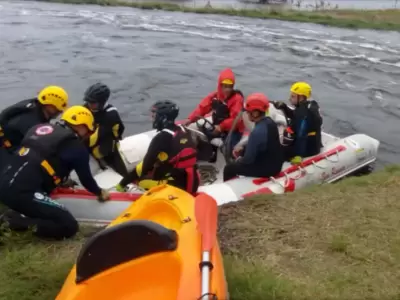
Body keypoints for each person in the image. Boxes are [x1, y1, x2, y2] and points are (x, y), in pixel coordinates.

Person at [0, 106, 110, 240]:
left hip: (4, 181)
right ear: (81, 126)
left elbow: (39, 159)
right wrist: (99, 192)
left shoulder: (38, 128)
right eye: (87, 131)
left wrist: (61, 180)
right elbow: (86, 180)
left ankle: (15, 214)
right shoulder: (78, 149)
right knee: (68, 226)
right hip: (23, 192)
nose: (87, 136)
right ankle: (12, 223)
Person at [116, 100, 199, 194]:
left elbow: (144, 167)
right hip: (192, 181)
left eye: (154, 116)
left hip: (176, 188)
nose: (152, 119)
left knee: (142, 182)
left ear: (162, 118)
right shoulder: (183, 130)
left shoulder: (161, 138)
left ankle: (122, 187)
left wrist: (124, 183)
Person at [182, 68, 245, 159]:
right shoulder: (215, 96)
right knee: (196, 129)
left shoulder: (237, 99)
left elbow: (236, 120)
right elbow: (202, 108)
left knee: (230, 151)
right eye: (225, 86)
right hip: (218, 125)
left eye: (230, 86)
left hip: (233, 130)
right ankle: (204, 153)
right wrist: (190, 119)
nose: (227, 89)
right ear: (220, 85)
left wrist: (221, 127)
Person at [223, 93, 284, 181]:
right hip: (276, 164)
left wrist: (239, 159)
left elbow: (248, 160)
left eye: (248, 112)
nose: (247, 114)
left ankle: (230, 187)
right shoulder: (270, 122)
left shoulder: (257, 132)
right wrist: (243, 150)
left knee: (229, 168)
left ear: (255, 113)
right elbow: (263, 145)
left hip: (268, 170)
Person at [0, 86, 68, 154]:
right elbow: (38, 146)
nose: (60, 111)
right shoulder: (30, 122)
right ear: (49, 104)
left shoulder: (33, 105)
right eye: (58, 107)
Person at [84, 83, 128, 177]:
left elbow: (96, 138)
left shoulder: (111, 114)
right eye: (88, 101)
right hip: (88, 144)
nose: (90, 104)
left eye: (93, 102)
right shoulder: (85, 108)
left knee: (121, 173)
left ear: (102, 102)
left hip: (107, 148)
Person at [273, 82, 322, 164]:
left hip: (307, 149)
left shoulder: (302, 112)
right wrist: (284, 107)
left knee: (274, 151)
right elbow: (296, 117)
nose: (289, 98)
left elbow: (301, 135)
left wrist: (298, 155)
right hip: (314, 143)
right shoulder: (310, 105)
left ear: (301, 97)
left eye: (293, 96)